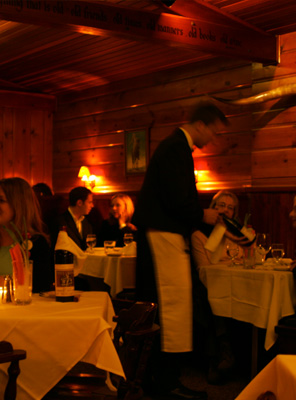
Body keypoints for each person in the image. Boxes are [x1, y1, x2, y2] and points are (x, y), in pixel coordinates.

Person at [133, 102, 228, 400]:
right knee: (169, 308)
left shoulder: (176, 148)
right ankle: (164, 383)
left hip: (166, 235)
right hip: (163, 237)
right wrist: (202, 215)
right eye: (214, 131)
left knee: (173, 308)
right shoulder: (175, 148)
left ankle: (163, 379)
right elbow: (176, 198)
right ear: (200, 124)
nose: (213, 138)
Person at [191, 190, 249, 384]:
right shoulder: (199, 234)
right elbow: (205, 269)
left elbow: (250, 260)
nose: (225, 211)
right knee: (213, 300)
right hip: (209, 286)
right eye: (221, 206)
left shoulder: (241, 234)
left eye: (230, 208)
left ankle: (236, 359)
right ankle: (218, 357)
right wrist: (220, 233)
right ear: (212, 209)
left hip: (240, 285)